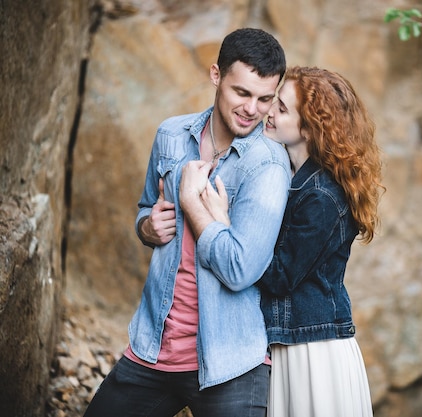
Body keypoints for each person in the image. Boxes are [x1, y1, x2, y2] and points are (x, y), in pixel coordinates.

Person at [83, 28, 291, 417]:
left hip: (230, 360)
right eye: (241, 93)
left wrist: (191, 205)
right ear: (216, 76)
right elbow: (146, 209)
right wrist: (147, 227)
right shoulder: (171, 135)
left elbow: (240, 268)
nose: (253, 109)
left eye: (265, 99)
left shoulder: (268, 165)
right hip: (155, 345)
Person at [202, 66, 384, 417]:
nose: (268, 112)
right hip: (291, 342)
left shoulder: (322, 196)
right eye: (276, 102)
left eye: (281, 109)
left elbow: (280, 276)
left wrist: (224, 224)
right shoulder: (291, 175)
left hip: (312, 352)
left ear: (310, 128)